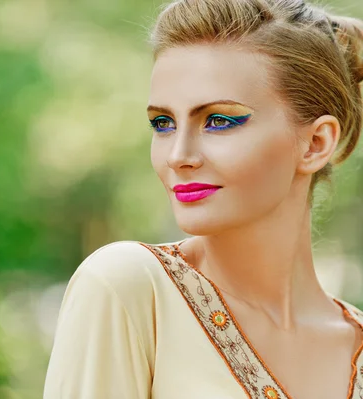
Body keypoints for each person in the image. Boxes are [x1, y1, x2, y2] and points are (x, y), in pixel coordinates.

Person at [42, 0, 363, 398]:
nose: (178, 156)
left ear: (315, 144)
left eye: (219, 121)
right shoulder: (128, 287)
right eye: (162, 124)